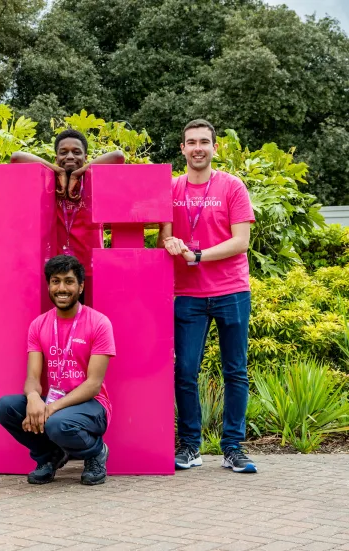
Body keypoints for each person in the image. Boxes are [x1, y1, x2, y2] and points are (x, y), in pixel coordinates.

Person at [158, 119, 257, 474]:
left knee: (235, 371)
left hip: (231, 289)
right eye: (191, 142)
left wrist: (199, 255)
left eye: (204, 141)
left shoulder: (232, 186)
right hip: (187, 293)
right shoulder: (170, 189)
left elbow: (241, 241)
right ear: (182, 149)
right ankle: (190, 446)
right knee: (184, 370)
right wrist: (170, 242)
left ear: (214, 148)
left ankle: (233, 448)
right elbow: (165, 237)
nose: (197, 147)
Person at [0, 255, 116, 485]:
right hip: (55, 402)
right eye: (55, 281)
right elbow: (32, 376)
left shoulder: (99, 323)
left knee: (56, 423)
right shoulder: (39, 324)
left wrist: (50, 409)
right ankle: (50, 456)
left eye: (69, 281)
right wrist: (32, 398)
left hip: (92, 405)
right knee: (5, 408)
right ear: (49, 285)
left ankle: (96, 452)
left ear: (80, 287)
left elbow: (93, 385)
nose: (61, 288)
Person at [10, 131, 124, 304]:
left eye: (76, 152)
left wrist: (80, 173)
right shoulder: (49, 182)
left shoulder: (94, 179)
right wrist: (58, 171)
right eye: (63, 152)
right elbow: (16, 157)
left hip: (90, 272)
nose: (70, 156)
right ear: (56, 157)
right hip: (56, 272)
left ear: (85, 157)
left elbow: (118, 156)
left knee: (89, 325)